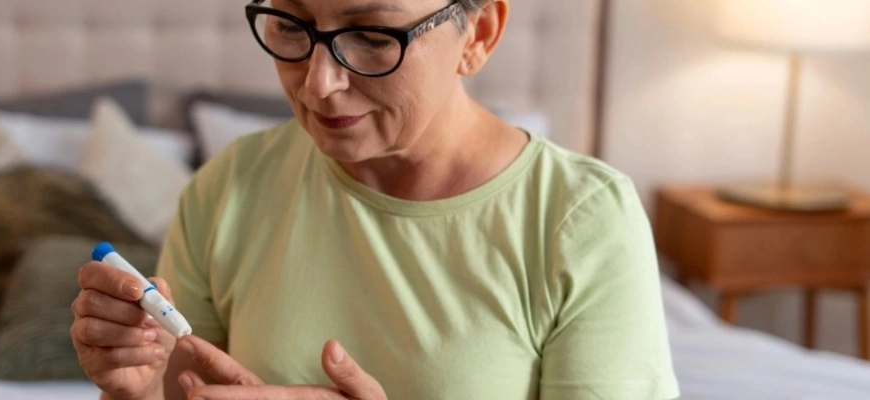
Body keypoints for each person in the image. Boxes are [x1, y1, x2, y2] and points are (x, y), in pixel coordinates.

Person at [70, 0, 680, 399]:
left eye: (370, 35)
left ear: (480, 33)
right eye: (290, 25)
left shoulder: (580, 219)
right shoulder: (230, 184)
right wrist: (134, 389)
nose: (318, 83)